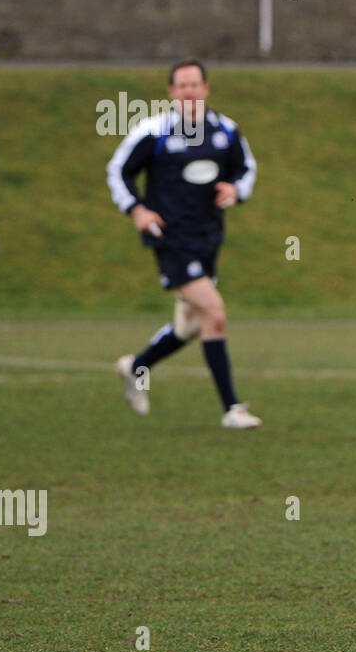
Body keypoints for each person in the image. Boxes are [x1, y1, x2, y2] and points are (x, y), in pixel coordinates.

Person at [105, 59, 261, 429]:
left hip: (208, 238)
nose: (189, 91)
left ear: (206, 89)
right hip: (170, 239)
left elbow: (247, 170)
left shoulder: (225, 131)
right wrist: (137, 210)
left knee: (191, 326)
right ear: (171, 93)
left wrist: (235, 189)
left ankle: (136, 367)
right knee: (215, 314)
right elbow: (119, 171)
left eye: (195, 85)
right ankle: (232, 409)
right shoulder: (155, 131)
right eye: (181, 86)